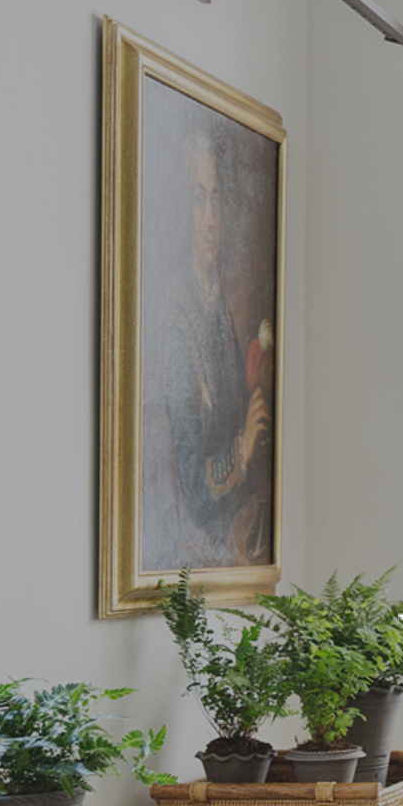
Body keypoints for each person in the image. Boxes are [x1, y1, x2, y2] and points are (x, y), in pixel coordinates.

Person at [163, 125, 272, 564]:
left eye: (216, 199)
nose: (211, 219)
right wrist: (242, 449)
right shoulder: (175, 327)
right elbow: (194, 490)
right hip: (198, 547)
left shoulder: (220, 311)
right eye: (198, 199)